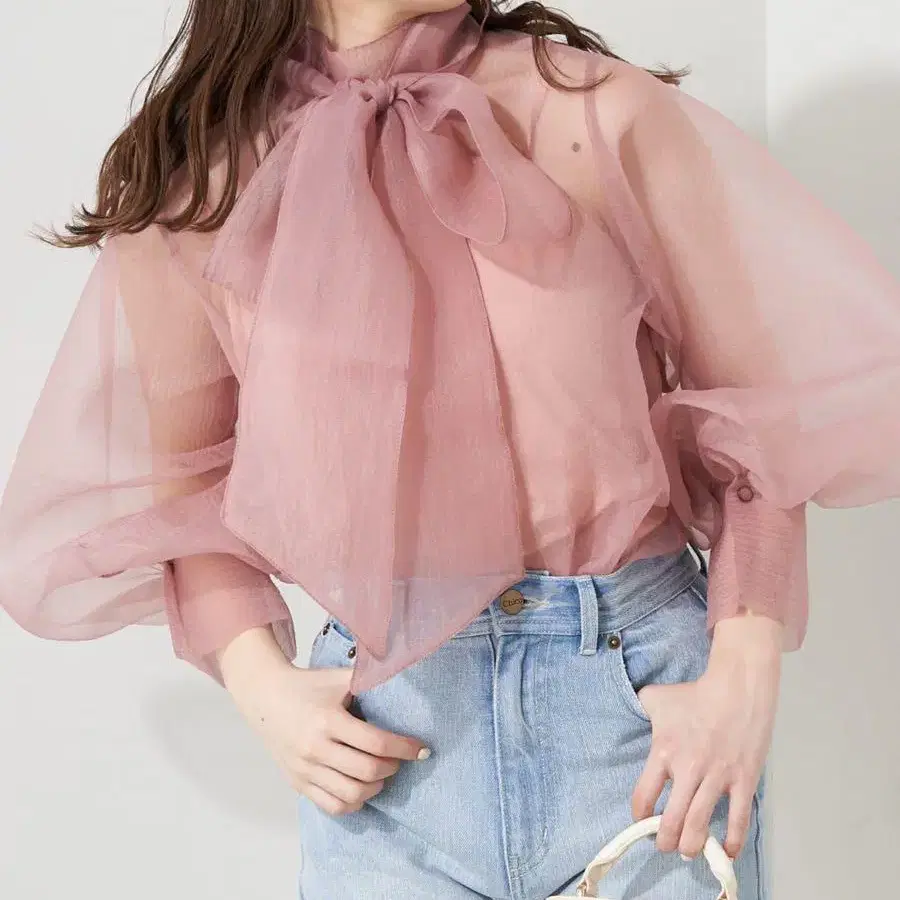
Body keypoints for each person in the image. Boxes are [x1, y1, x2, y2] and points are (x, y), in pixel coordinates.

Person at [3, 0, 900, 897]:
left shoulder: (594, 112)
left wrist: (743, 674)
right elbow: (188, 484)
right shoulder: (203, 182)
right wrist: (261, 685)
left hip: (643, 726)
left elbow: (754, 421)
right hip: (387, 754)